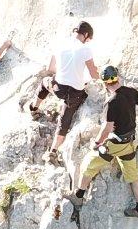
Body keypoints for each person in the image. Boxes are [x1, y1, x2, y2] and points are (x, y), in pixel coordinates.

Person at [73, 65, 138, 220]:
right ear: (118, 77)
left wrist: (97, 143)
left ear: (104, 84)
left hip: (115, 145)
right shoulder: (131, 92)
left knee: (88, 165)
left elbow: (107, 128)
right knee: (133, 176)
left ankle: (78, 197)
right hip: (129, 144)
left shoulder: (112, 102)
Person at [30, 20, 98, 163]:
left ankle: (33, 108)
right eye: (89, 39)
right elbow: (94, 74)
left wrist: (65, 72)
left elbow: (51, 68)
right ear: (86, 35)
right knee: (64, 119)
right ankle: (53, 151)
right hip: (75, 93)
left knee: (44, 83)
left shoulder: (60, 43)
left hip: (58, 88)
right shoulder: (85, 50)